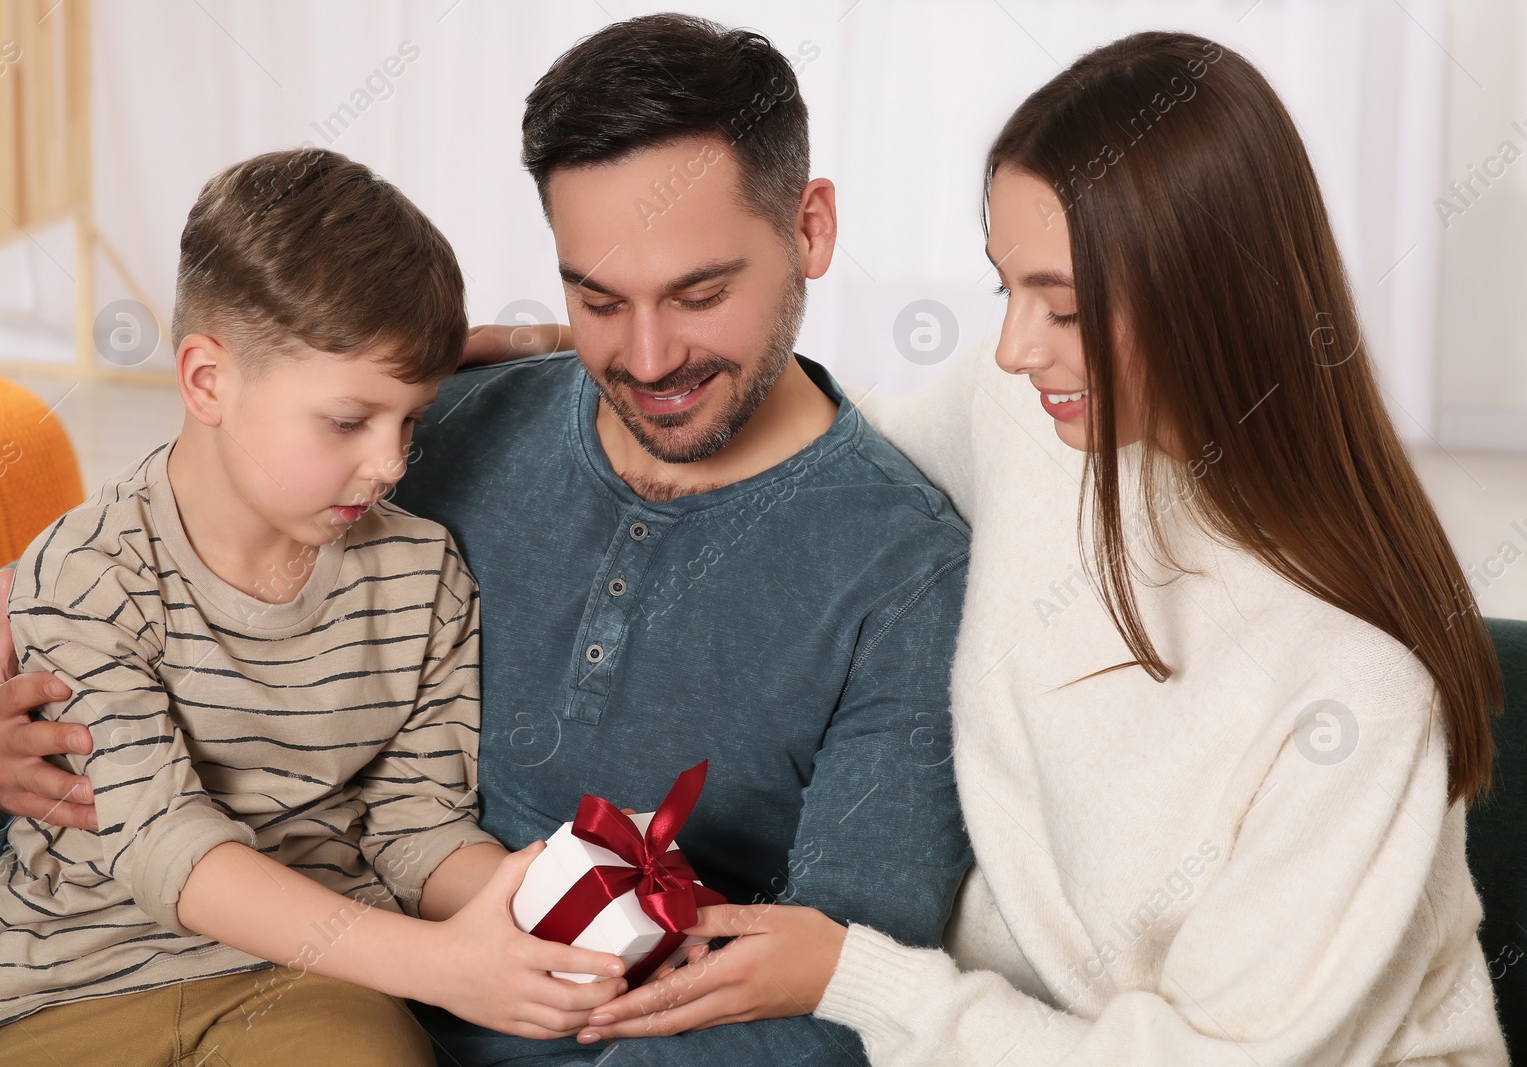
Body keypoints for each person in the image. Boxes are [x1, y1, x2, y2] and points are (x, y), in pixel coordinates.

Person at [0, 15, 973, 1066]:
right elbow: (251, 453)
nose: (650, 355)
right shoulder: (451, 429)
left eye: (700, 293)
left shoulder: (904, 576)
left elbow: (843, 983)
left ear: (810, 228)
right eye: (599, 297)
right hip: (227, 974)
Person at [578, 30, 1509, 1065]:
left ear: (1211, 295)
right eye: (1004, 290)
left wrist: (855, 975)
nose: (1017, 347)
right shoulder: (1031, 411)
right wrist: (598, 356)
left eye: (1063, 307)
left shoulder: (1354, 690)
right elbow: (835, 447)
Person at [0, 148, 640, 1065]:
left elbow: (414, 821)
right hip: (74, 984)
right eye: (350, 422)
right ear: (206, 382)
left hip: (318, 987)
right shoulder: (85, 573)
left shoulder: (422, 573)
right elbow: (162, 847)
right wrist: (438, 963)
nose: (391, 463)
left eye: (412, 420)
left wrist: (537, 902)